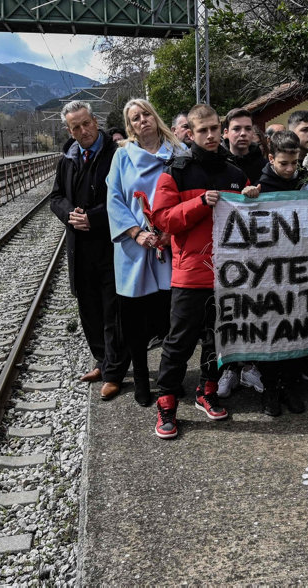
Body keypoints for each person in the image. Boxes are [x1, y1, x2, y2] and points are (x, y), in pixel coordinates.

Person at [150, 103, 258, 439]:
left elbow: (253, 223)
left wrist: (253, 198)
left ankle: (206, 391)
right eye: (203, 130)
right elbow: (162, 220)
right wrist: (199, 203)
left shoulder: (236, 173)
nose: (210, 135)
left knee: (218, 338)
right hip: (189, 273)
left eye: (214, 128)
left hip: (228, 275)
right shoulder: (176, 171)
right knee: (178, 342)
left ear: (221, 128)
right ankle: (166, 402)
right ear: (190, 133)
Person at [105, 99, 186, 405]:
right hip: (133, 247)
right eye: (135, 118)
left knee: (168, 319)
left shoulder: (179, 152)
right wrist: (136, 233)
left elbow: (188, 193)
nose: (142, 120)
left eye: (146, 114)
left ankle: (169, 379)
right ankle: (141, 378)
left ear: (155, 116)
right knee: (134, 320)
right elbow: (113, 197)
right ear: (131, 126)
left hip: (169, 242)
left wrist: (170, 231)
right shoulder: (122, 156)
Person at [49, 101, 130, 392]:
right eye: (75, 127)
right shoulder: (67, 159)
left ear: (95, 121)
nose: (83, 131)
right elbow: (56, 197)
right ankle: (101, 360)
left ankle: (114, 372)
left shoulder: (116, 154)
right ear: (69, 130)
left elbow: (125, 198)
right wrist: (69, 215)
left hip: (110, 243)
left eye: (86, 123)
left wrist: (92, 218)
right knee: (88, 307)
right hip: (79, 246)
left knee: (112, 309)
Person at [248, 130, 308, 415]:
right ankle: (270, 388)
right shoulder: (261, 187)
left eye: (294, 163)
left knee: (296, 329)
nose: (290, 169)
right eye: (284, 163)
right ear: (271, 158)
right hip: (269, 273)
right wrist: (247, 199)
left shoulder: (305, 184)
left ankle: (291, 385)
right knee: (272, 329)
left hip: (301, 270)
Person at [223, 107, 264, 184]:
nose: (243, 133)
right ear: (226, 132)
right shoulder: (218, 164)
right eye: (237, 129)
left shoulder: (265, 167)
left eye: (248, 129)